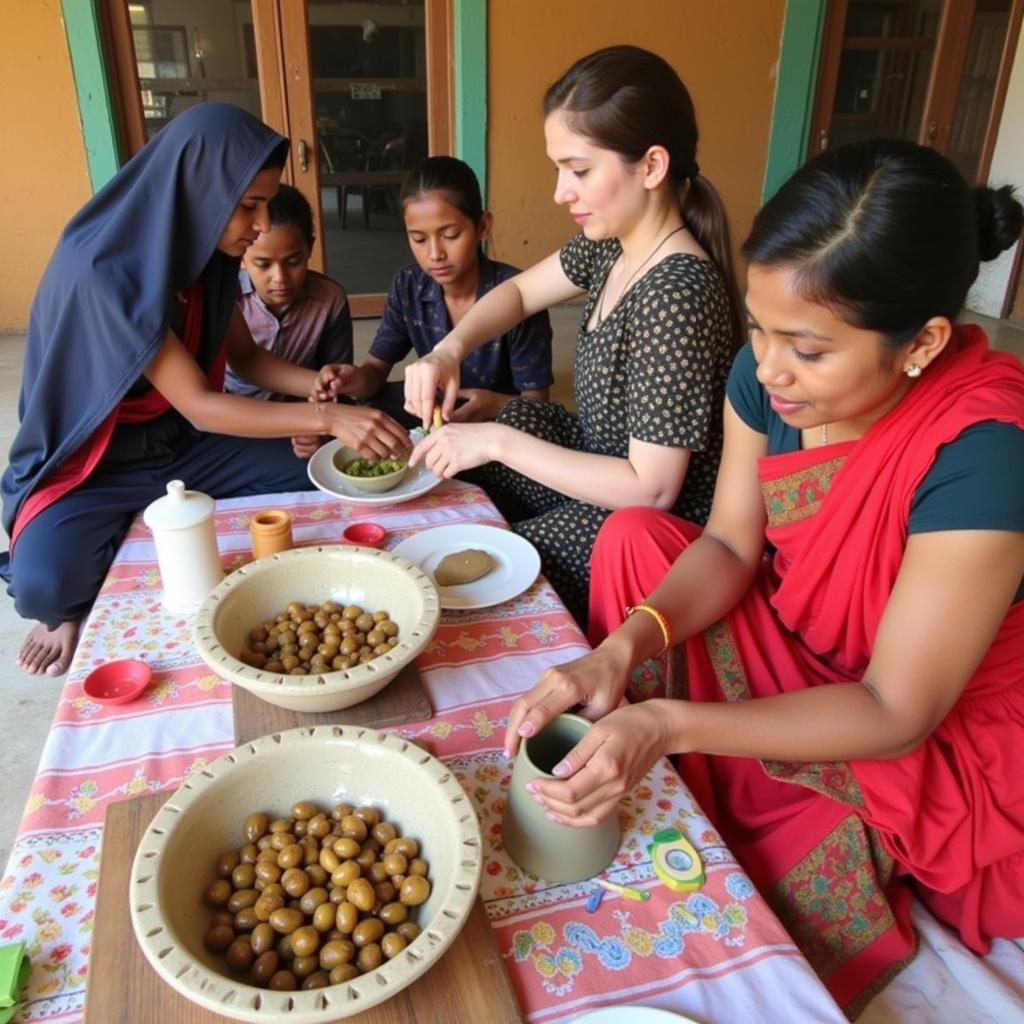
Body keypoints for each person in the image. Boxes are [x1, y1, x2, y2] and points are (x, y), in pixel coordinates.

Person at [503, 138, 1024, 1012]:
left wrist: (667, 722)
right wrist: (621, 649)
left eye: (809, 350)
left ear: (923, 343)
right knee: (636, 540)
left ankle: (734, 781)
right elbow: (732, 548)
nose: (768, 368)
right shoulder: (768, 375)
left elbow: (897, 712)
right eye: (758, 329)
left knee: (803, 827)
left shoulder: (985, 452)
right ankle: (715, 762)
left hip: (915, 713)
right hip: (807, 649)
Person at [1, 102, 410, 677]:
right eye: (248, 207)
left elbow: (244, 356)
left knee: (320, 469)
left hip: (179, 444)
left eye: (266, 204)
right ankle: (83, 581)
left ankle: (135, 526)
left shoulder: (205, 254)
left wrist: (318, 386)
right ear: (196, 190)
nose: (261, 224)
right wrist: (326, 419)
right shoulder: (104, 273)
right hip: (98, 463)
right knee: (45, 587)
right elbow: (200, 401)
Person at [401, 47, 743, 621]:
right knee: (501, 434)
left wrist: (493, 443)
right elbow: (516, 294)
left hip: (648, 523)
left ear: (653, 167)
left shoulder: (676, 291)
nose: (562, 191)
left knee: (498, 555)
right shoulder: (614, 243)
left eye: (579, 170)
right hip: (600, 464)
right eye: (559, 168)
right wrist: (447, 349)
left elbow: (651, 490)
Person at [321, 155, 553, 426]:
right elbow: (375, 372)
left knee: (539, 432)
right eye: (418, 238)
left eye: (451, 235)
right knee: (349, 414)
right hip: (437, 408)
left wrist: (491, 405)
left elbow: (537, 404)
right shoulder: (409, 285)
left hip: (499, 418)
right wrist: (353, 380)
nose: (435, 254)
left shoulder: (518, 294)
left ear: (482, 227)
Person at [228, 183, 353, 400]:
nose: (280, 277)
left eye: (293, 261)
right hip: (236, 412)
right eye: (263, 264)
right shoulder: (227, 297)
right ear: (241, 256)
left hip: (304, 407)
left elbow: (337, 382)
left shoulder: (330, 299)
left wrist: (319, 415)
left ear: (310, 248)